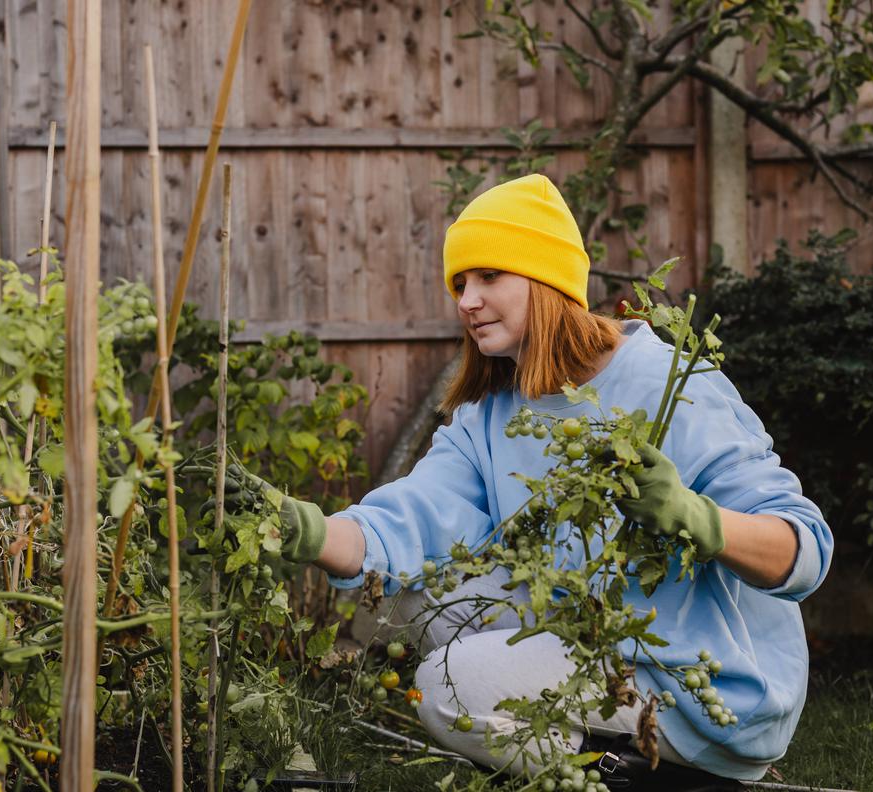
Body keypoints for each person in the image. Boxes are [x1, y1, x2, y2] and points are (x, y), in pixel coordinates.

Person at [228, 174, 833, 783]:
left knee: (448, 684)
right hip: (592, 634)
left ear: (546, 280)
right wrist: (304, 529)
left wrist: (695, 517)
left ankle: (647, 773)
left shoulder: (667, 384)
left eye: (489, 276)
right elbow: (412, 516)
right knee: (406, 593)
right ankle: (610, 762)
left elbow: (803, 552)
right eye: (460, 283)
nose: (466, 301)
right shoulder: (492, 413)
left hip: (703, 684)